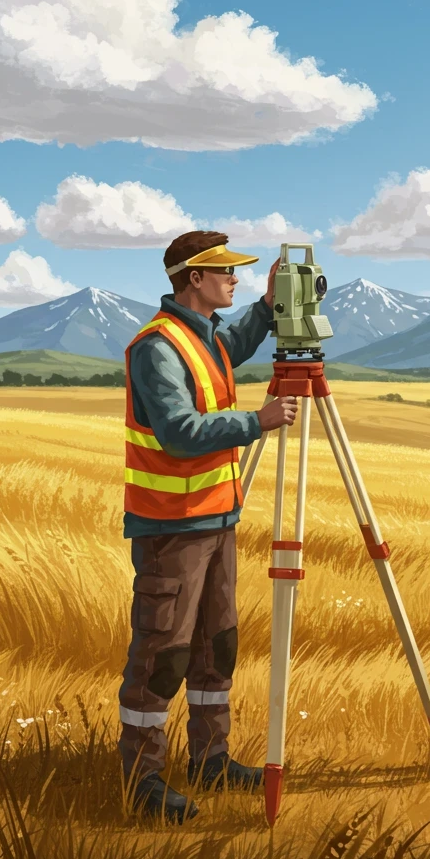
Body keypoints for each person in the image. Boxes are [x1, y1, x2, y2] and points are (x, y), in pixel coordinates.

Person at [117, 230, 298, 822]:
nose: (235, 279)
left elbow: (235, 341)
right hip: (170, 527)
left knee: (217, 645)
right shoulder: (158, 347)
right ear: (193, 278)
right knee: (162, 653)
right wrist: (258, 420)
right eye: (225, 272)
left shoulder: (205, 338)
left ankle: (210, 758)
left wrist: (272, 307)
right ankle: (141, 779)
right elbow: (178, 430)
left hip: (217, 518)